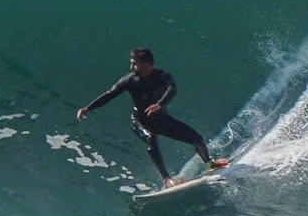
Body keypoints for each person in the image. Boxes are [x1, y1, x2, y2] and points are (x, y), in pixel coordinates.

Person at [76, 47, 225, 185]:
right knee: (151, 137)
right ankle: (167, 179)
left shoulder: (163, 75)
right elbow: (109, 95)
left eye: (134, 64)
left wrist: (159, 104)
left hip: (161, 119)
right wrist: (88, 108)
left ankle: (209, 163)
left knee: (197, 139)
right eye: (131, 63)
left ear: (147, 64)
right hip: (140, 121)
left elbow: (172, 90)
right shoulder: (129, 80)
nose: (131, 67)